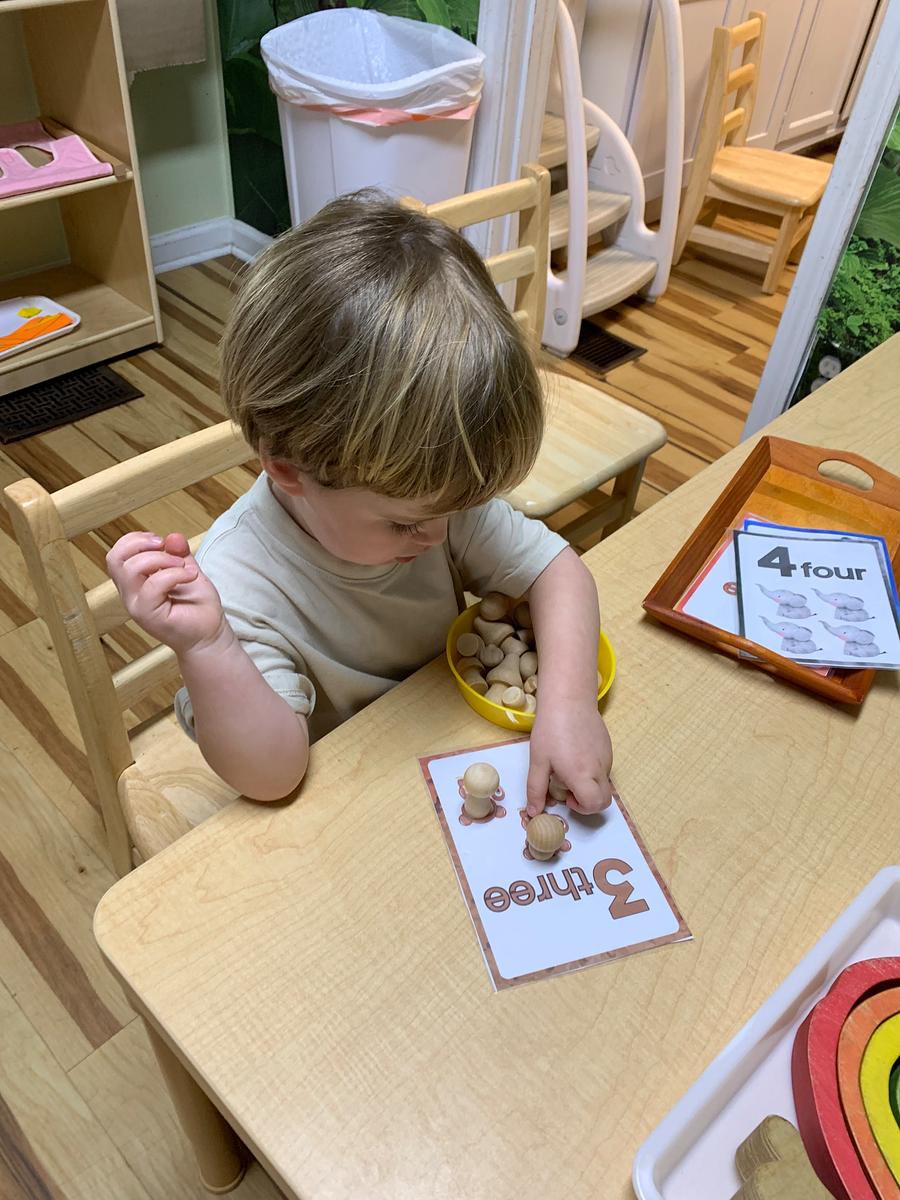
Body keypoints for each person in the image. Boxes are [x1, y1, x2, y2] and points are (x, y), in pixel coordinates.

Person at [107, 192, 613, 816]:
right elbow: (272, 776)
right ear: (288, 470)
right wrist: (208, 648)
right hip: (343, 800)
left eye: (455, 511)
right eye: (405, 523)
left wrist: (568, 706)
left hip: (436, 743)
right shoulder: (237, 584)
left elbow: (559, 572)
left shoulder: (433, 502)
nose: (437, 536)